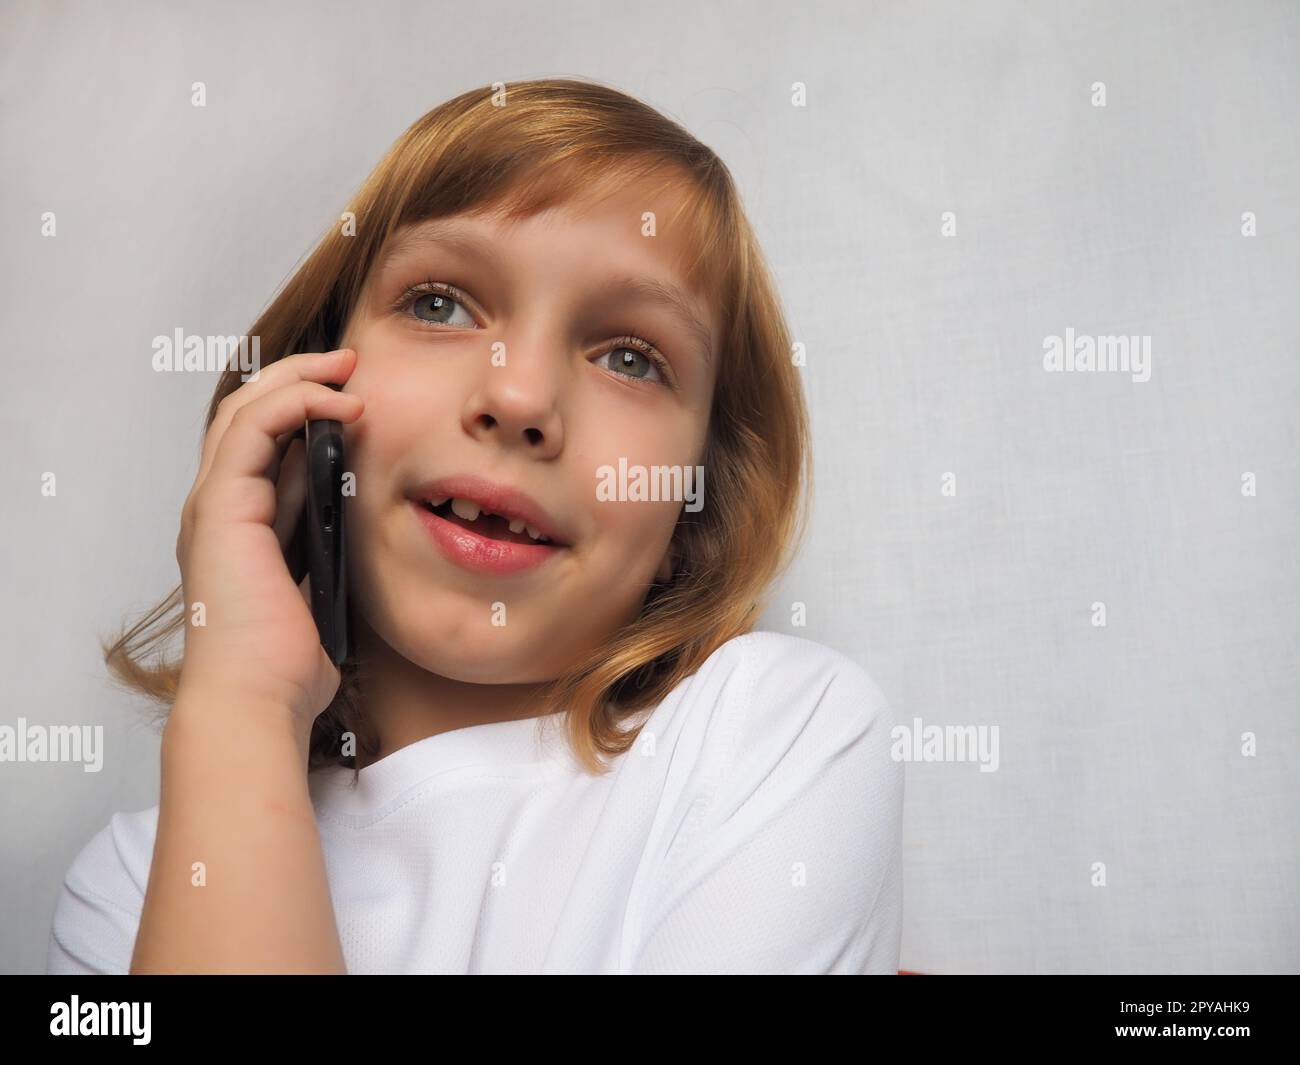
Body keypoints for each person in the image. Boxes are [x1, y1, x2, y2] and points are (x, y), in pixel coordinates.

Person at [46, 77, 903, 975]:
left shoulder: (772, 732)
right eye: (440, 304)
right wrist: (241, 706)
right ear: (311, 418)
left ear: (695, 509)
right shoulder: (134, 889)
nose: (520, 396)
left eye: (629, 358)